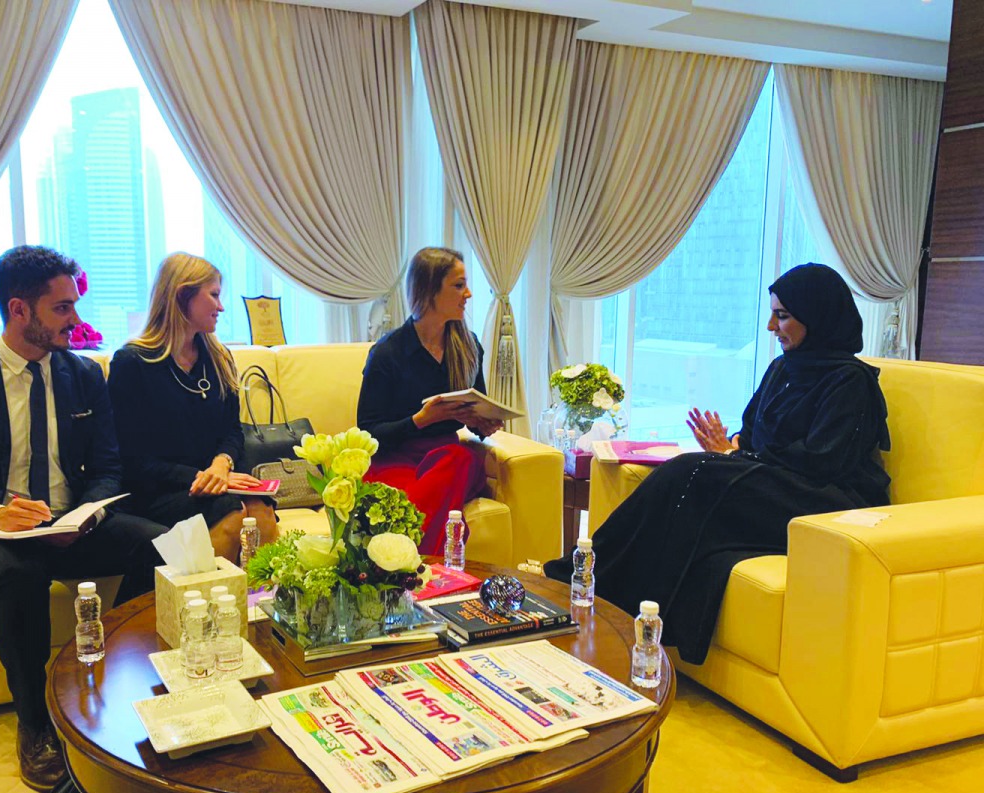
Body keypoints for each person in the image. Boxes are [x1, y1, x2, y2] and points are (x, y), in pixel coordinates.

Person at [0, 246, 167, 793]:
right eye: (62, 308)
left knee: (160, 544)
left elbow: (109, 466)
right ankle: (34, 724)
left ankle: (110, 674)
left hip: (70, 524)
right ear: (19, 310)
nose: (75, 319)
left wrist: (88, 513)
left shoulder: (84, 375)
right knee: (17, 573)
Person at [546, 263, 891, 664]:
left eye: (782, 316)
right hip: (776, 480)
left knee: (691, 473)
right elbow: (754, 431)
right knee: (686, 472)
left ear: (816, 316)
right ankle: (588, 585)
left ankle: (589, 586)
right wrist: (733, 447)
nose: (771, 327)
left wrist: (733, 455)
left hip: (821, 499)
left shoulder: (850, 381)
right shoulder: (784, 368)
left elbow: (822, 459)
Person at [106, 252, 277, 561]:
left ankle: (260, 594)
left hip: (217, 481)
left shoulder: (218, 358)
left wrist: (221, 465)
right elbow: (133, 459)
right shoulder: (132, 363)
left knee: (261, 511)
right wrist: (203, 476)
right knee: (233, 514)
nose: (221, 307)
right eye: (214, 295)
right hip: (158, 490)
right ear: (183, 296)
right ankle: (210, 594)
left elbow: (233, 432)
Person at [356, 247, 503, 554]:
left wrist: (483, 423)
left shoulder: (469, 346)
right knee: (411, 495)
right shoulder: (387, 353)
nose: (468, 294)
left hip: (447, 456)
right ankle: (429, 563)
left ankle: (407, 559)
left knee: (460, 459)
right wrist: (420, 421)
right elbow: (367, 433)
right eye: (459, 285)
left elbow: (476, 408)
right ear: (429, 290)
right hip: (395, 459)